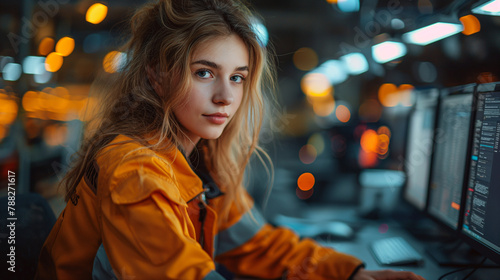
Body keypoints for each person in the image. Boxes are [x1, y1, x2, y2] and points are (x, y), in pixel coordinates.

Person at [35, 0, 425, 279]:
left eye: (237, 77)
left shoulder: (201, 160)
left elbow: (256, 245)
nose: (225, 96)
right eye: (205, 73)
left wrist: (351, 273)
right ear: (156, 75)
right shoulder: (134, 170)